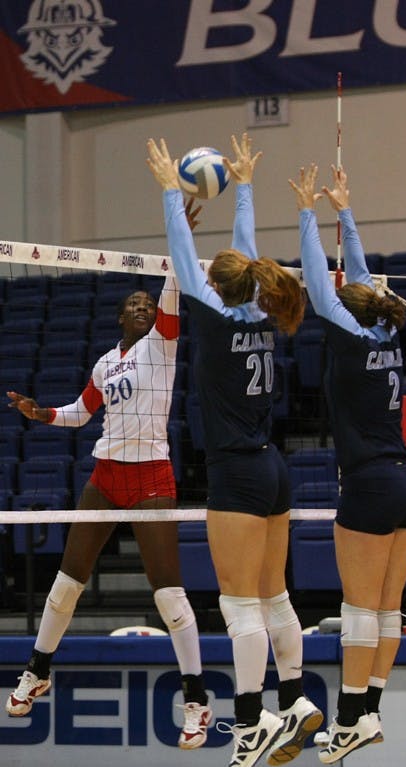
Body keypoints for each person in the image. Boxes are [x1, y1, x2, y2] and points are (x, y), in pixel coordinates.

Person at [5, 209, 213, 750]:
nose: (143, 307)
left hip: (151, 477)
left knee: (168, 592)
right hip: (104, 475)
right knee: (66, 581)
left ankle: (196, 698)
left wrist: (180, 233)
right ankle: (37, 669)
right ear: (121, 318)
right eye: (133, 305)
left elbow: (173, 287)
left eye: (147, 304)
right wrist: (41, 413)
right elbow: (80, 412)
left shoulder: (162, 346)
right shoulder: (105, 364)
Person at [146, 132, 323, 767]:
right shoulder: (258, 313)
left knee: (239, 603)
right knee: (274, 596)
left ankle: (251, 726)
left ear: (215, 290)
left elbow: (182, 254)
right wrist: (243, 185)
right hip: (273, 469)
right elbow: (241, 256)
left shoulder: (219, 317)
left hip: (239, 475)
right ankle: (297, 700)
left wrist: (172, 191)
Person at [289, 163, 406, 764]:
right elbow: (361, 280)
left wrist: (305, 213)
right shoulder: (385, 328)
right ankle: (367, 713)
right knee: (388, 607)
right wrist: (344, 210)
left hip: (371, 483)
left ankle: (347, 720)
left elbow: (320, 283)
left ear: (345, 315)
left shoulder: (348, 333)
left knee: (359, 608)